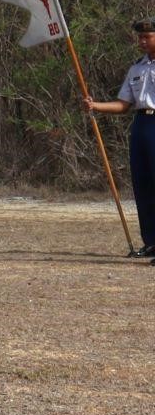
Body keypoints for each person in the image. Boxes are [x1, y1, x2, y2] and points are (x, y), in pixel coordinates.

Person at [82, 16, 155, 260]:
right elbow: (124, 104)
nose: (142, 41)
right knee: (142, 184)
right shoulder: (136, 68)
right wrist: (96, 106)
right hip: (142, 124)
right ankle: (151, 242)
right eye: (140, 37)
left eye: (148, 37)